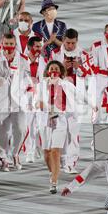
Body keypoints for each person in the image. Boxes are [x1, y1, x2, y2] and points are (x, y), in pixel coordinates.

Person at [0, 33, 31, 172]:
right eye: (6, 44)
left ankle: (15, 153)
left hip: (19, 100)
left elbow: (28, 79)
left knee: (21, 129)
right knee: (0, 130)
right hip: (1, 100)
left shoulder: (23, 59)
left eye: (11, 44)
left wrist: (25, 90)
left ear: (15, 44)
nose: (9, 47)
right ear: (2, 43)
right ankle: (4, 158)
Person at [50, 28, 93, 173]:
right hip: (60, 97)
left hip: (76, 98)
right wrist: (61, 67)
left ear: (77, 41)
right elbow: (49, 74)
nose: (70, 46)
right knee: (61, 131)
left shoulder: (83, 54)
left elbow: (90, 73)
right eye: (67, 43)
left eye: (73, 43)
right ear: (63, 41)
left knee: (74, 132)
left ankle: (71, 162)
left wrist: (79, 67)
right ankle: (61, 160)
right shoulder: (55, 53)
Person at [36, 60, 76, 193]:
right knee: (47, 153)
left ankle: (54, 181)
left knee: (55, 151)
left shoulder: (66, 84)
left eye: (56, 69)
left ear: (60, 72)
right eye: (51, 68)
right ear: (47, 71)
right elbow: (36, 100)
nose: (53, 71)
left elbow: (78, 97)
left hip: (60, 120)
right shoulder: (41, 85)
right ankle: (53, 171)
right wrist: (39, 104)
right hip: (45, 120)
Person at [23, 36, 47, 163]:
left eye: (41, 46)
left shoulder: (44, 60)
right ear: (29, 47)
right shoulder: (22, 60)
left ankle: (39, 147)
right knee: (29, 125)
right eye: (37, 46)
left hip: (40, 95)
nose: (39, 49)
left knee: (41, 125)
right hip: (26, 96)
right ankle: (29, 152)